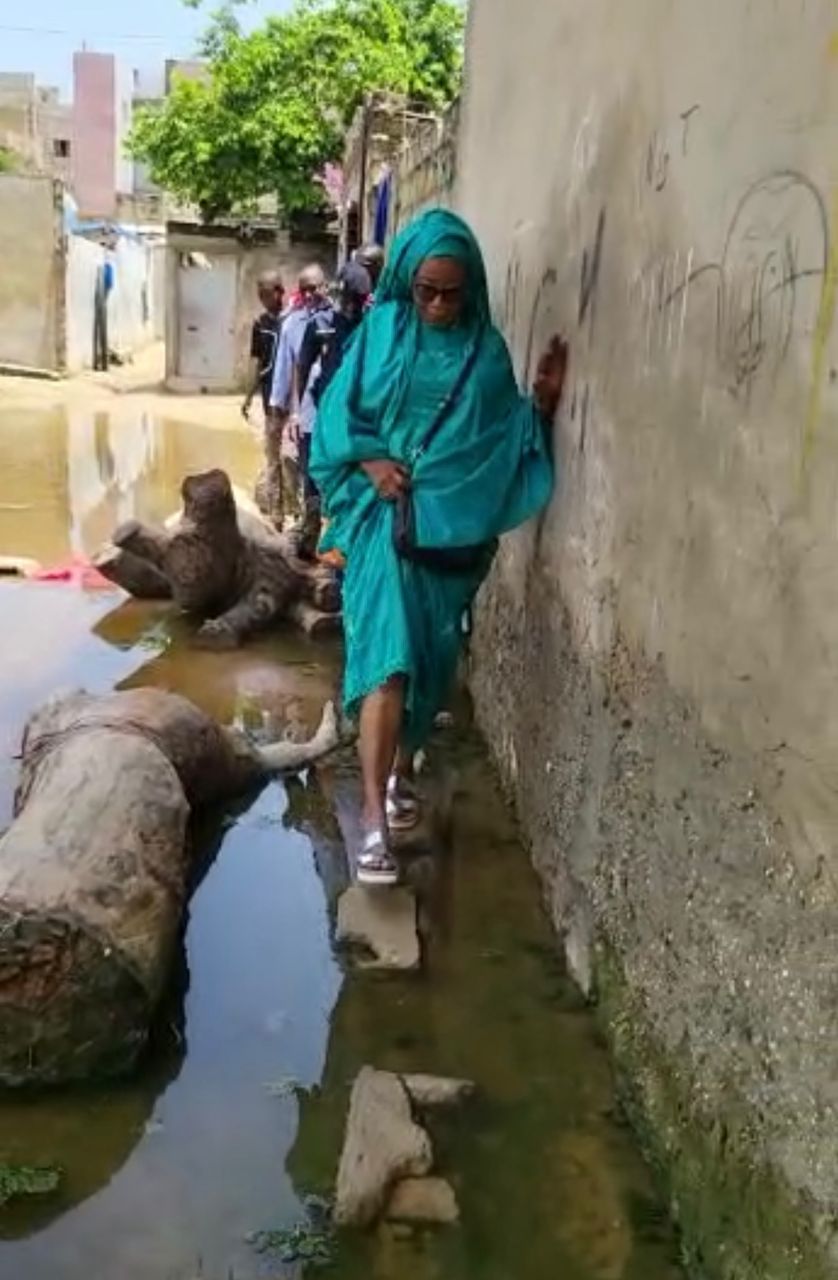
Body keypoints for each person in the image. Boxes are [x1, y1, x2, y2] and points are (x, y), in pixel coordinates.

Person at [311, 210, 568, 886]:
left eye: (451, 292)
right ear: (407, 280)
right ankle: (372, 819)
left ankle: (400, 772)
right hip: (380, 528)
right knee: (388, 662)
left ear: (471, 288)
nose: (437, 304)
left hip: (445, 539)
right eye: (426, 288)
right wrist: (369, 461)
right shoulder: (380, 333)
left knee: (429, 664)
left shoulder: (486, 356)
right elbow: (339, 413)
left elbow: (495, 439)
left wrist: (537, 409)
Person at [295, 262, 372, 558]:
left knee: (349, 488)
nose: (354, 304)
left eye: (359, 298)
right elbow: (302, 367)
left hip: (357, 422)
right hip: (324, 418)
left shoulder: (369, 328)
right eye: (351, 297)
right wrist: (296, 412)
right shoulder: (321, 324)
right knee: (314, 479)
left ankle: (342, 554)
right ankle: (309, 541)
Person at [266, 264, 329, 528]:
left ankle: (335, 536)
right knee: (308, 474)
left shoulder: (339, 320)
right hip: (305, 414)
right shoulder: (292, 324)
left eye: (315, 288)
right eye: (305, 290)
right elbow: (283, 368)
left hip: (336, 414)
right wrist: (278, 408)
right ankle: (310, 533)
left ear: (325, 287)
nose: (311, 294)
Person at [242, 270, 285, 421]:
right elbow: (257, 361)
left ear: (279, 292)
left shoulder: (292, 321)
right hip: (269, 388)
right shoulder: (260, 324)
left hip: (288, 391)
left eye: (265, 293)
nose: (262, 299)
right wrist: (249, 396)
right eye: (259, 294)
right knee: (272, 431)